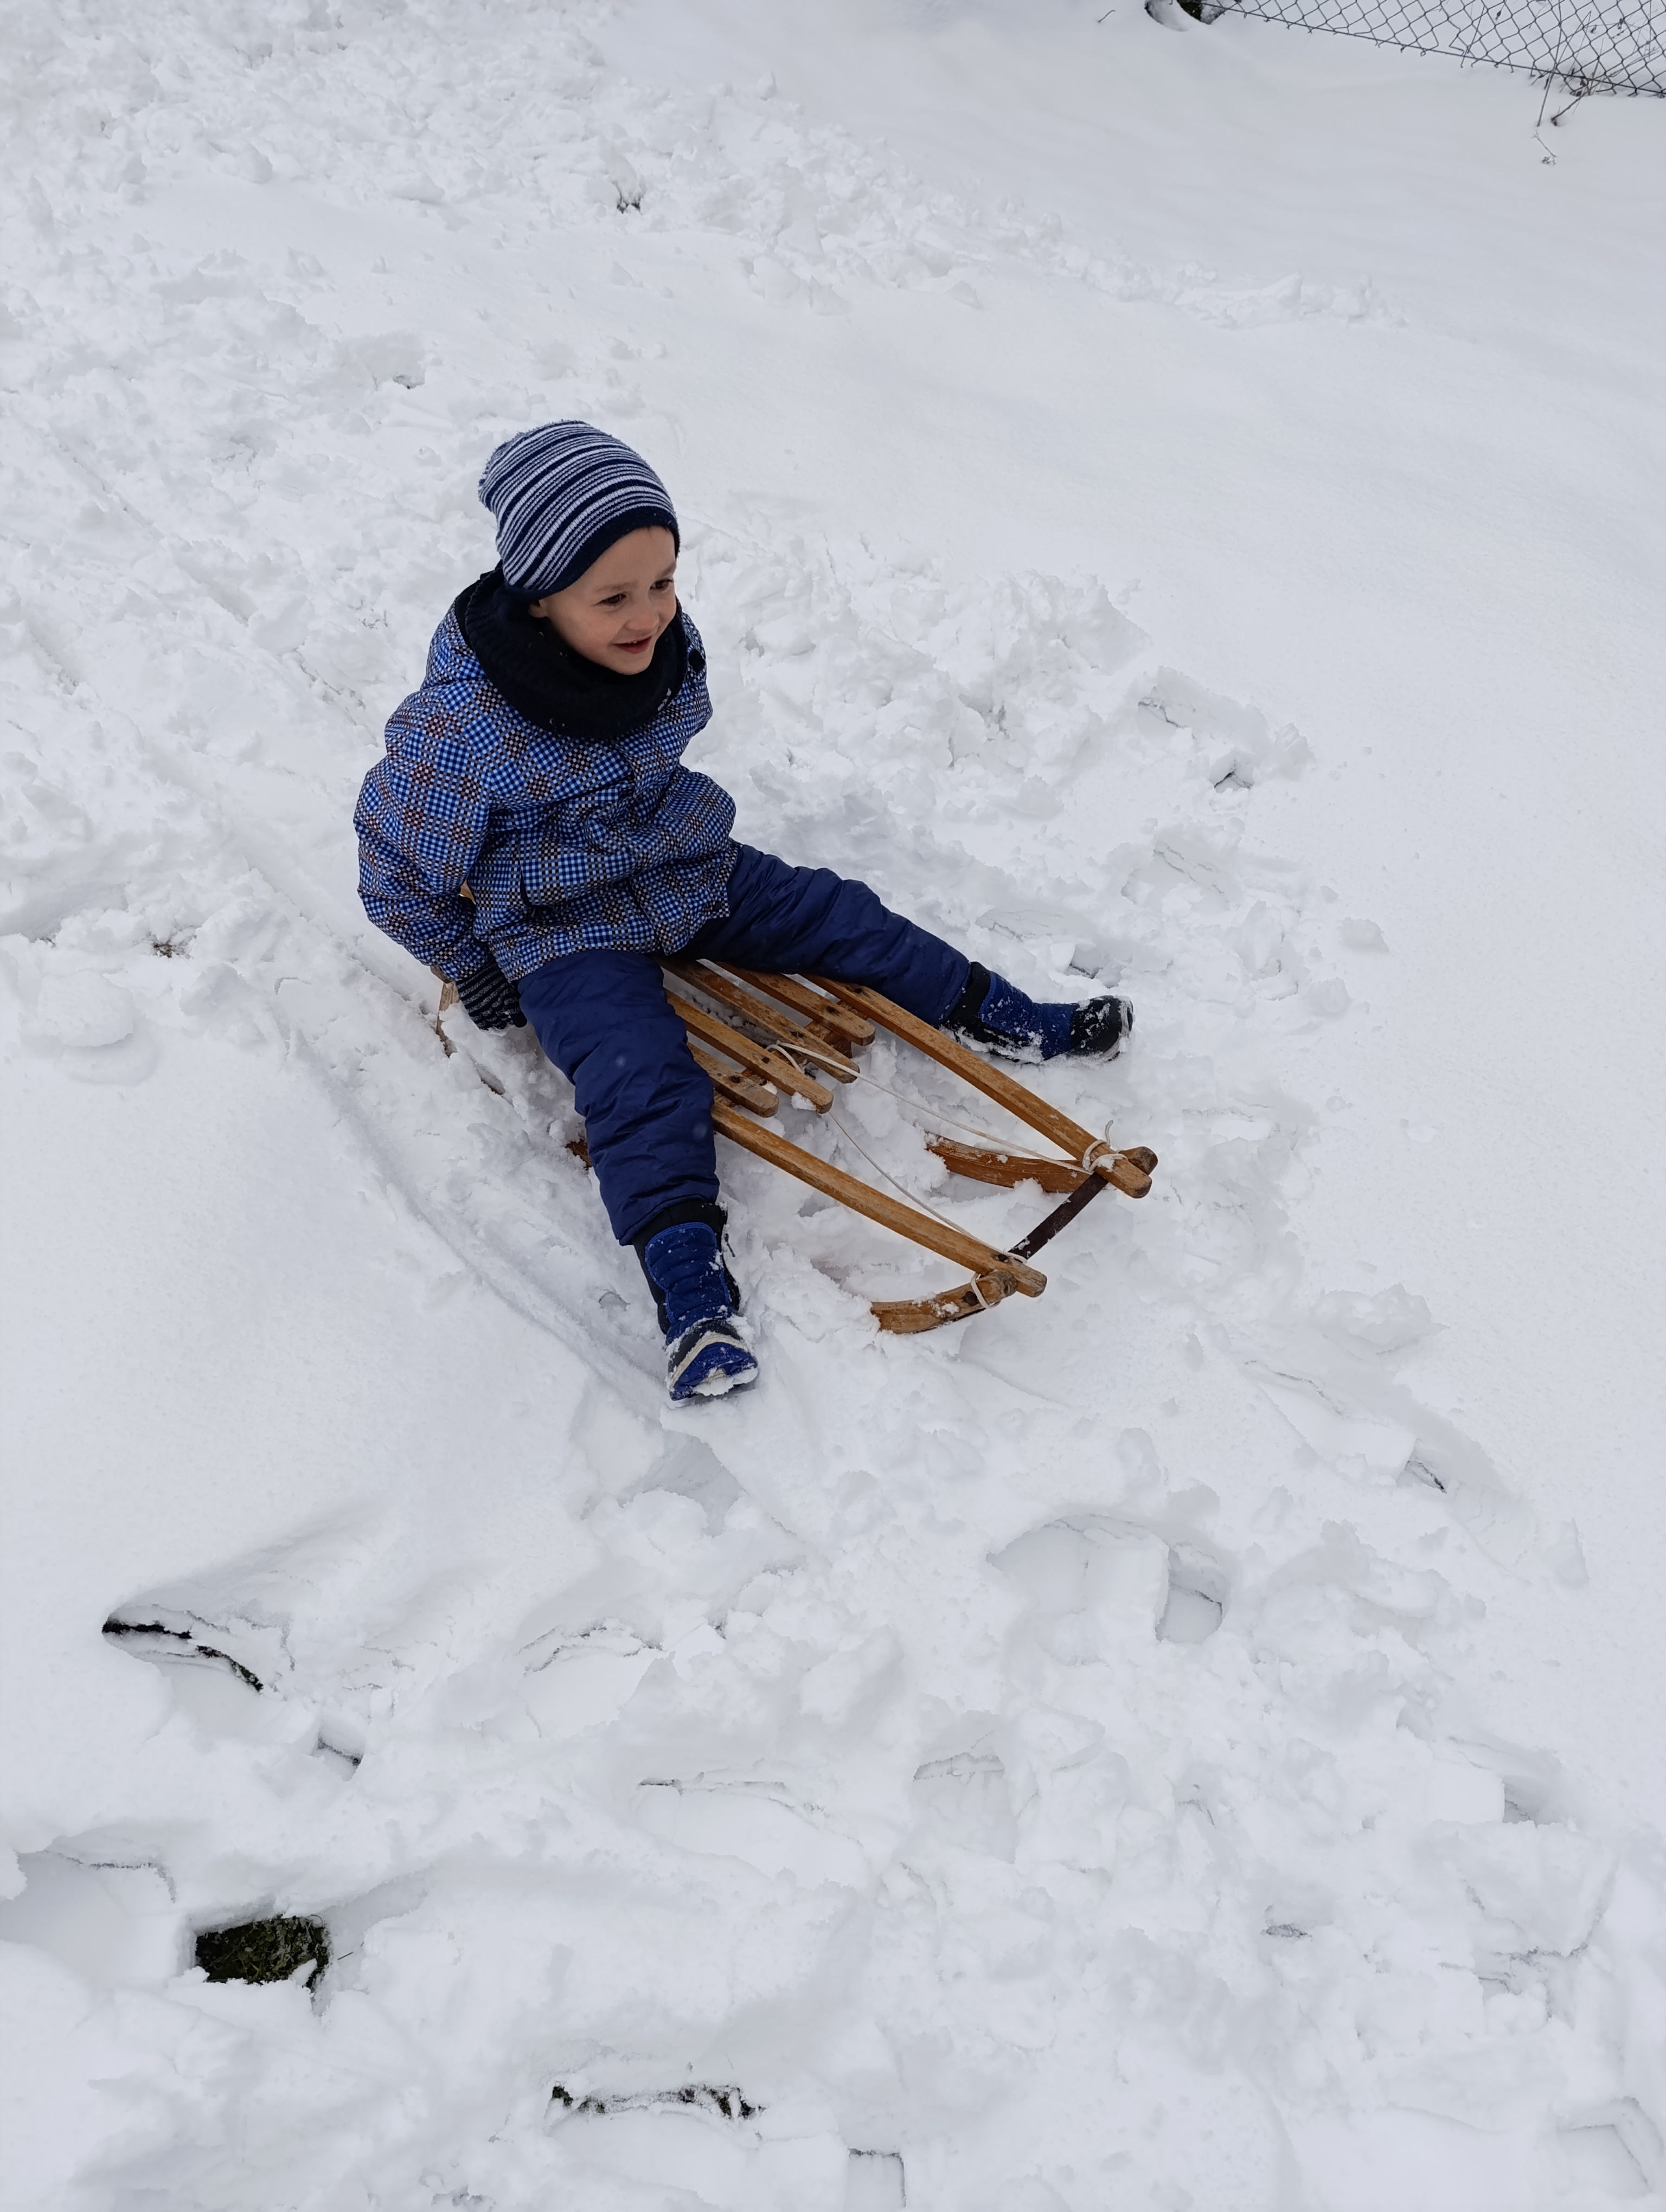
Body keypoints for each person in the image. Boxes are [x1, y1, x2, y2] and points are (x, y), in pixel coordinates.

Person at [356, 422, 1131, 1403]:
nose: (650, 616)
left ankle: (1003, 1011)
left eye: (664, 582)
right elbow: (392, 866)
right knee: (635, 1071)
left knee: (843, 915)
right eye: (615, 598)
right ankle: (689, 1287)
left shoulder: (663, 646)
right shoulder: (461, 730)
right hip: (560, 924)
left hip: (681, 864)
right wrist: (469, 962)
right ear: (539, 599)